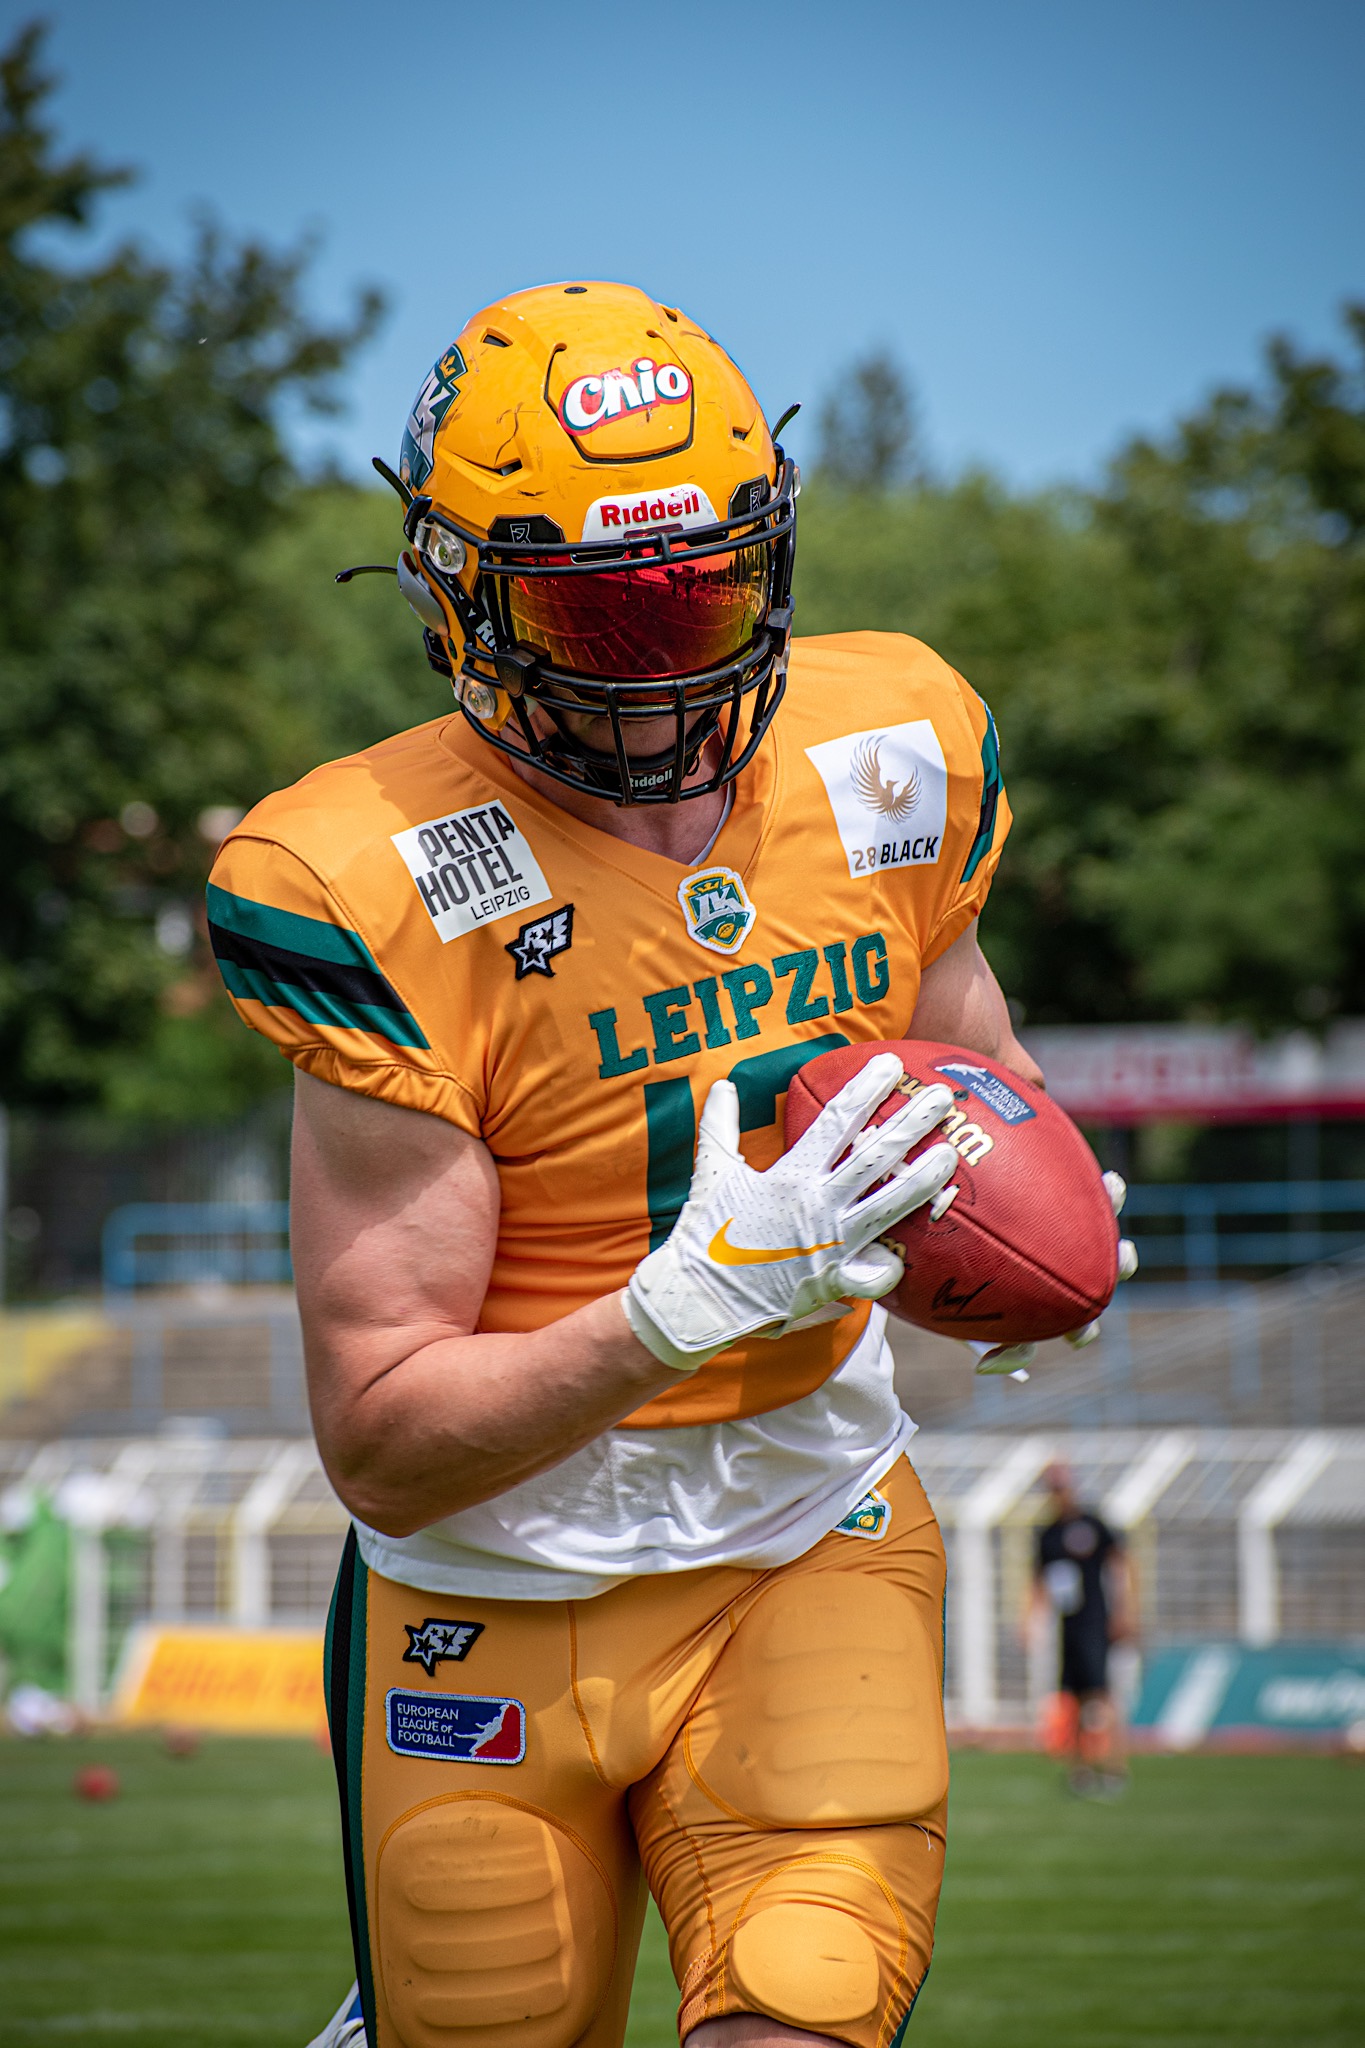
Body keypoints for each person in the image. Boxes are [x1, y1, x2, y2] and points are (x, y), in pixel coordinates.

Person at [210, 280, 1053, 2048]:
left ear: (776, 550)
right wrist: (674, 1307)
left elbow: (975, 1064)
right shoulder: (364, 872)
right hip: (493, 1592)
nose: (661, 658)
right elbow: (382, 1438)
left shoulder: (890, 742)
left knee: (804, 2004)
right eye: (599, 605)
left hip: (808, 1526)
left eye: (703, 585)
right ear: (457, 587)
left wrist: (1027, 1205)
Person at [1031, 1461, 1137, 1798]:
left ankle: (1114, 1767)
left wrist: (1125, 1611)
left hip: (1095, 1621)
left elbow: (1121, 1563)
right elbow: (1039, 1581)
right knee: (1073, 1697)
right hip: (1068, 1625)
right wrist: (1029, 1619)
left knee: (1101, 1695)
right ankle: (1080, 1770)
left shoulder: (1092, 1525)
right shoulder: (1048, 1534)